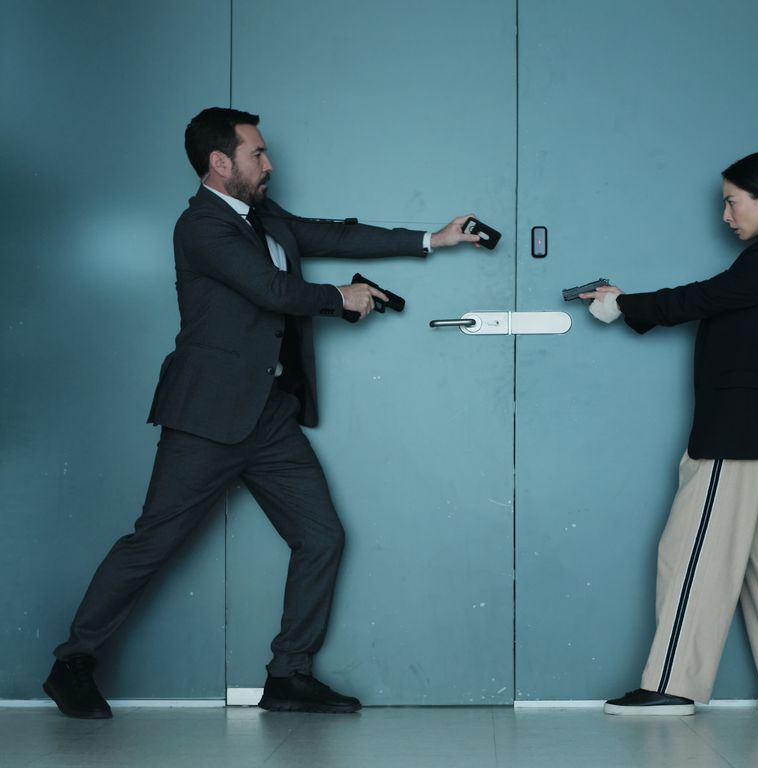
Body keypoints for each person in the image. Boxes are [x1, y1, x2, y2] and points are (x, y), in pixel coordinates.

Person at [43, 107, 481, 718]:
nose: (270, 164)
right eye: (257, 154)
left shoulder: (262, 217)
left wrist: (433, 238)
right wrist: (339, 297)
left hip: (270, 415)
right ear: (220, 163)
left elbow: (333, 234)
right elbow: (269, 291)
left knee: (322, 536)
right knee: (153, 543)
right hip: (207, 417)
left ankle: (289, 675)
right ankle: (72, 664)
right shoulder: (199, 228)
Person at [584, 152, 758, 715]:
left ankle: (673, 684)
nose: (725, 214)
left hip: (740, 436)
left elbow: (704, 298)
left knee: (692, 552)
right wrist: (628, 302)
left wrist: (622, 306)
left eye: (732, 201)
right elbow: (719, 303)